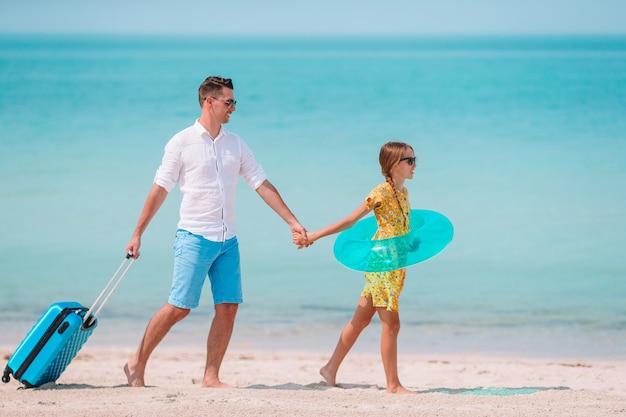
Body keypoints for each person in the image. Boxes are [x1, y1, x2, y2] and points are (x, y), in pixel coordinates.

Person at [123, 76, 308, 388]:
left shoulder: (236, 144)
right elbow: (160, 190)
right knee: (179, 308)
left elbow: (261, 184)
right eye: (229, 102)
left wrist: (291, 221)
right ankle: (136, 363)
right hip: (194, 237)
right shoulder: (181, 142)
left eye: (234, 102)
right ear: (209, 102)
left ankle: (211, 377)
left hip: (228, 241)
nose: (233, 108)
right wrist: (137, 232)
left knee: (228, 308)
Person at [294, 141, 416, 394]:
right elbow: (350, 220)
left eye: (415, 159)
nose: (415, 165)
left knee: (360, 320)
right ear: (394, 165)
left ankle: (329, 368)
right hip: (383, 265)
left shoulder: (403, 193)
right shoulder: (380, 192)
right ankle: (393, 385)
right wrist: (314, 235)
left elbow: (398, 227)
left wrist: (409, 243)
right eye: (410, 160)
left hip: (396, 264)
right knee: (391, 325)